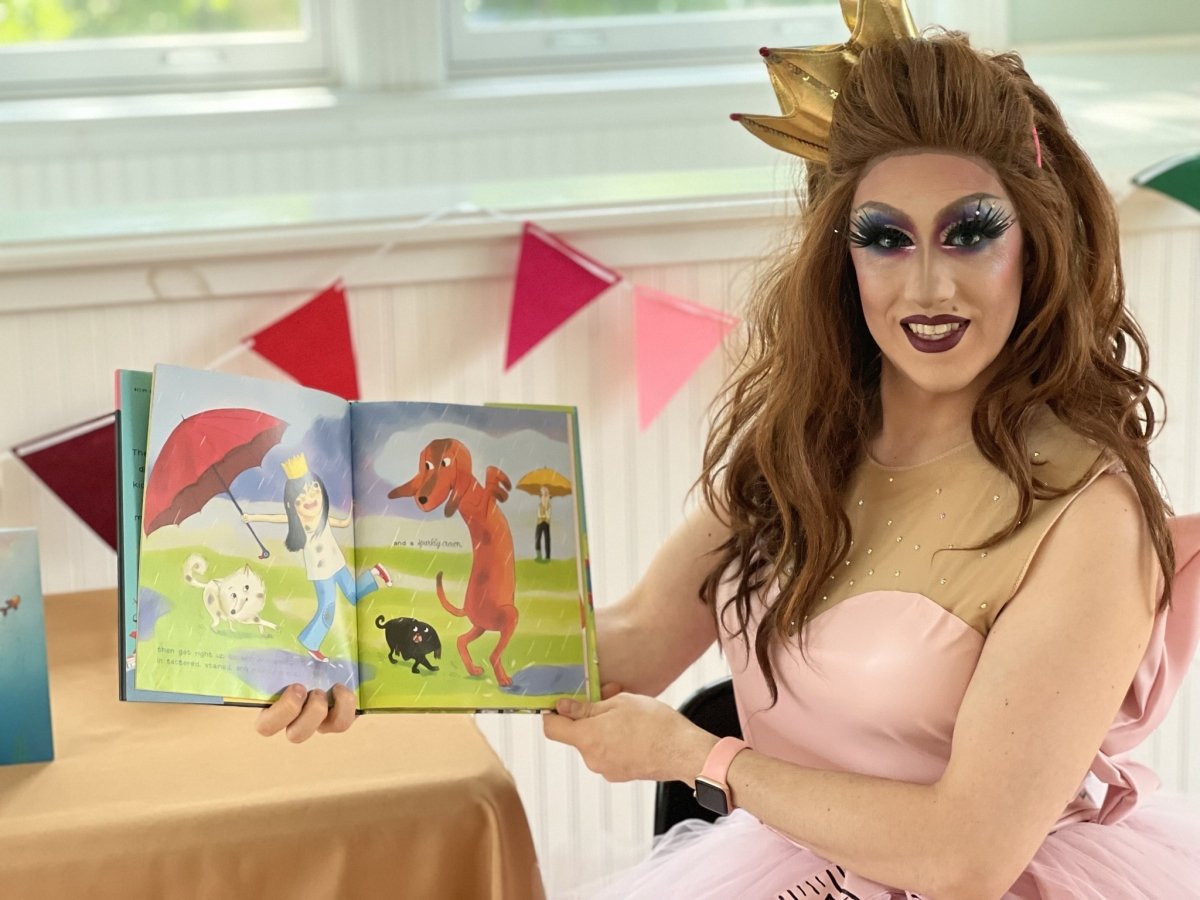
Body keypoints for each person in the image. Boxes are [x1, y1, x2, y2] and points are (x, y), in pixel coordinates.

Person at [254, 2, 1200, 895]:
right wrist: (362, 664)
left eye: (970, 235)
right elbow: (621, 648)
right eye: (885, 238)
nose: (928, 286)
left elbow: (968, 856)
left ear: (1036, 244)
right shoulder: (802, 447)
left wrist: (697, 759)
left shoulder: (1088, 518)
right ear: (844, 256)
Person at [242, 453, 390, 663]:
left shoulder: (324, 518)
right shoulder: (300, 524)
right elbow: (275, 518)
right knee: (328, 609)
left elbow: (343, 524)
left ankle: (375, 572)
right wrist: (251, 517)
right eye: (301, 499)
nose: (310, 500)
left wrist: (351, 514)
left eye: (314, 490)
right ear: (292, 505)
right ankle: (311, 642)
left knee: (352, 595)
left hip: (337, 564)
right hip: (321, 573)